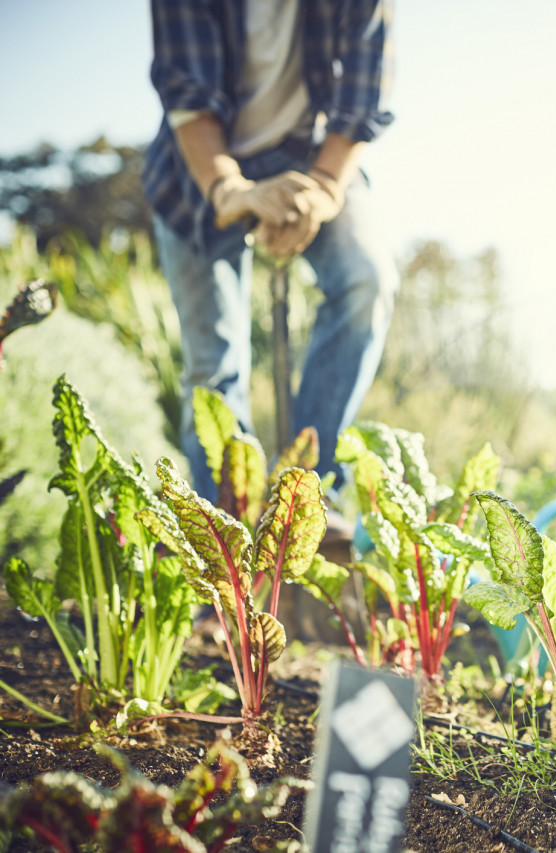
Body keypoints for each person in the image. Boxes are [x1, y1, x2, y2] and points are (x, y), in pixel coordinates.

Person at [142, 0, 399, 558]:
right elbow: (188, 93)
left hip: (313, 157)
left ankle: (304, 503)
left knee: (366, 280)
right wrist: (231, 190)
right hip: (200, 172)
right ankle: (225, 547)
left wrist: (326, 189)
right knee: (215, 364)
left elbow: (359, 103)